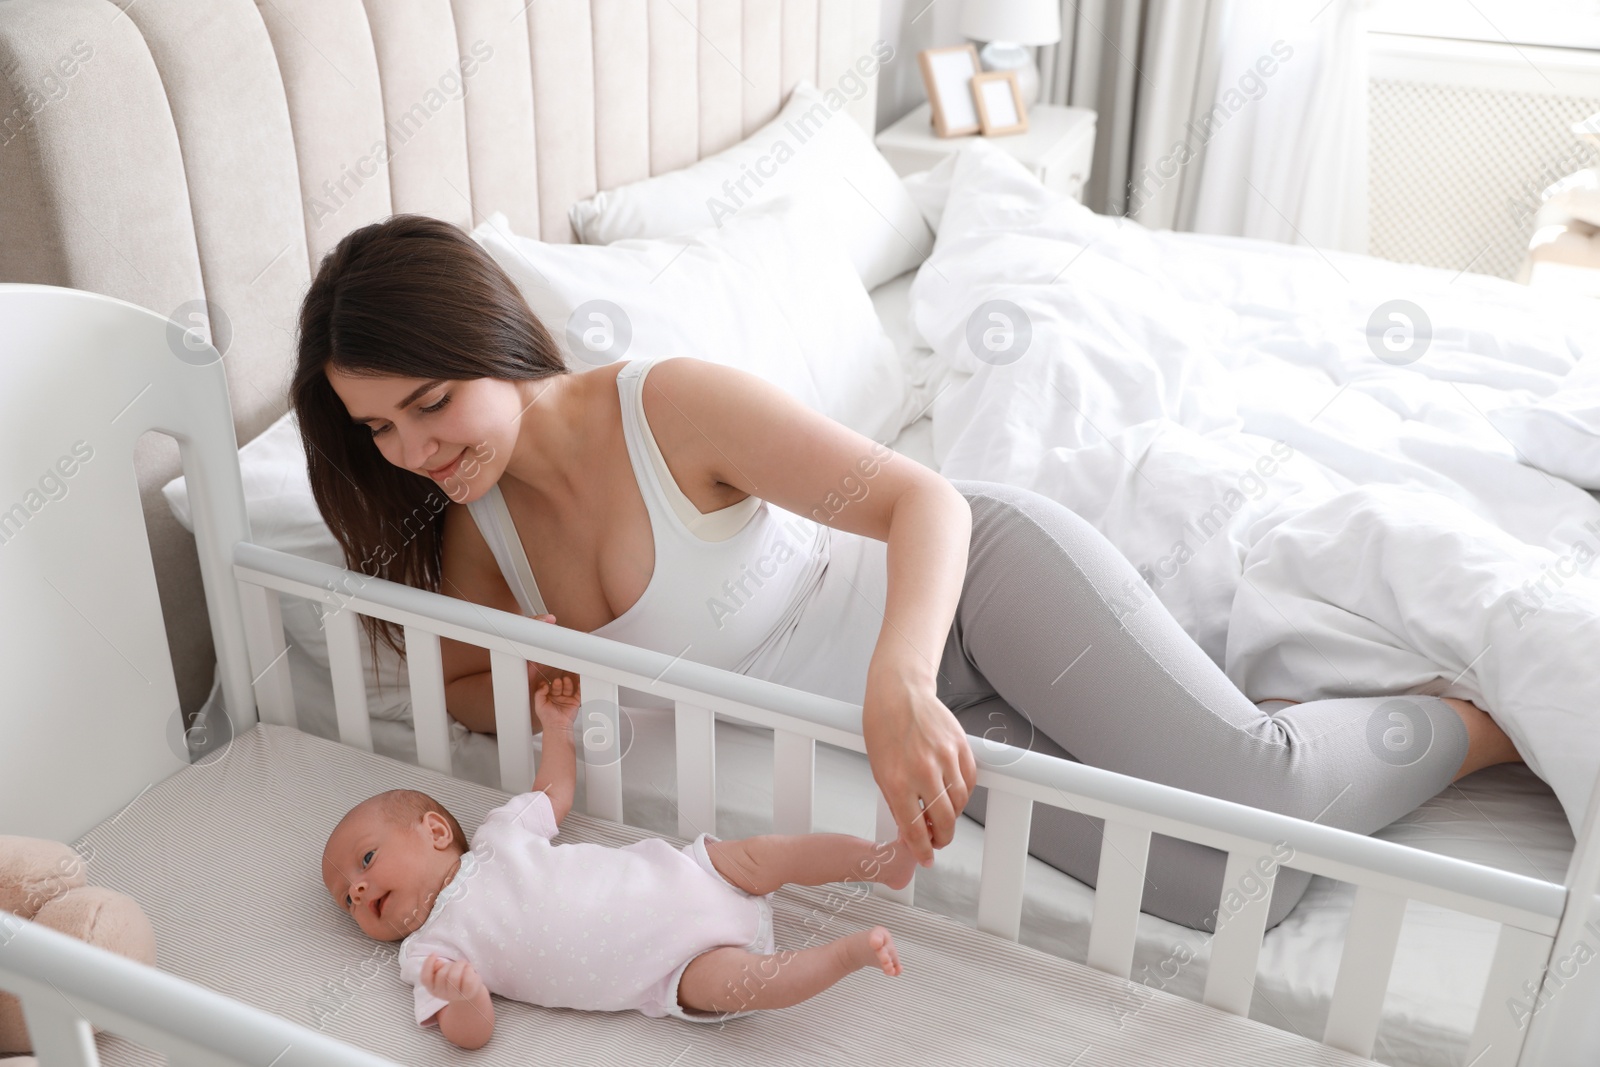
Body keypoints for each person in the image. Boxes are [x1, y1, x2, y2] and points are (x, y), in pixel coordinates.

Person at [292, 214, 1522, 932]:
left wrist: (899, 673)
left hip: (969, 586)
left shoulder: (668, 406)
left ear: (492, 343)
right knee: (1216, 889)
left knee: (1263, 790)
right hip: (913, 717)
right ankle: (1273, 720)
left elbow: (918, 497)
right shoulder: (476, 531)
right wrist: (552, 683)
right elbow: (459, 676)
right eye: (378, 430)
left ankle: (1483, 721)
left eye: (431, 403)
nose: (415, 450)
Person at [322, 674, 911, 1048]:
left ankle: (878, 861)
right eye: (346, 894)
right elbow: (470, 1038)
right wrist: (464, 997)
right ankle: (847, 955)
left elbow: (554, 793)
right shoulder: (428, 954)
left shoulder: (500, 834)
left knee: (767, 854)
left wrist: (556, 729)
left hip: (688, 875)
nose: (357, 889)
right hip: (674, 969)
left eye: (365, 859)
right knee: (750, 986)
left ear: (434, 830)